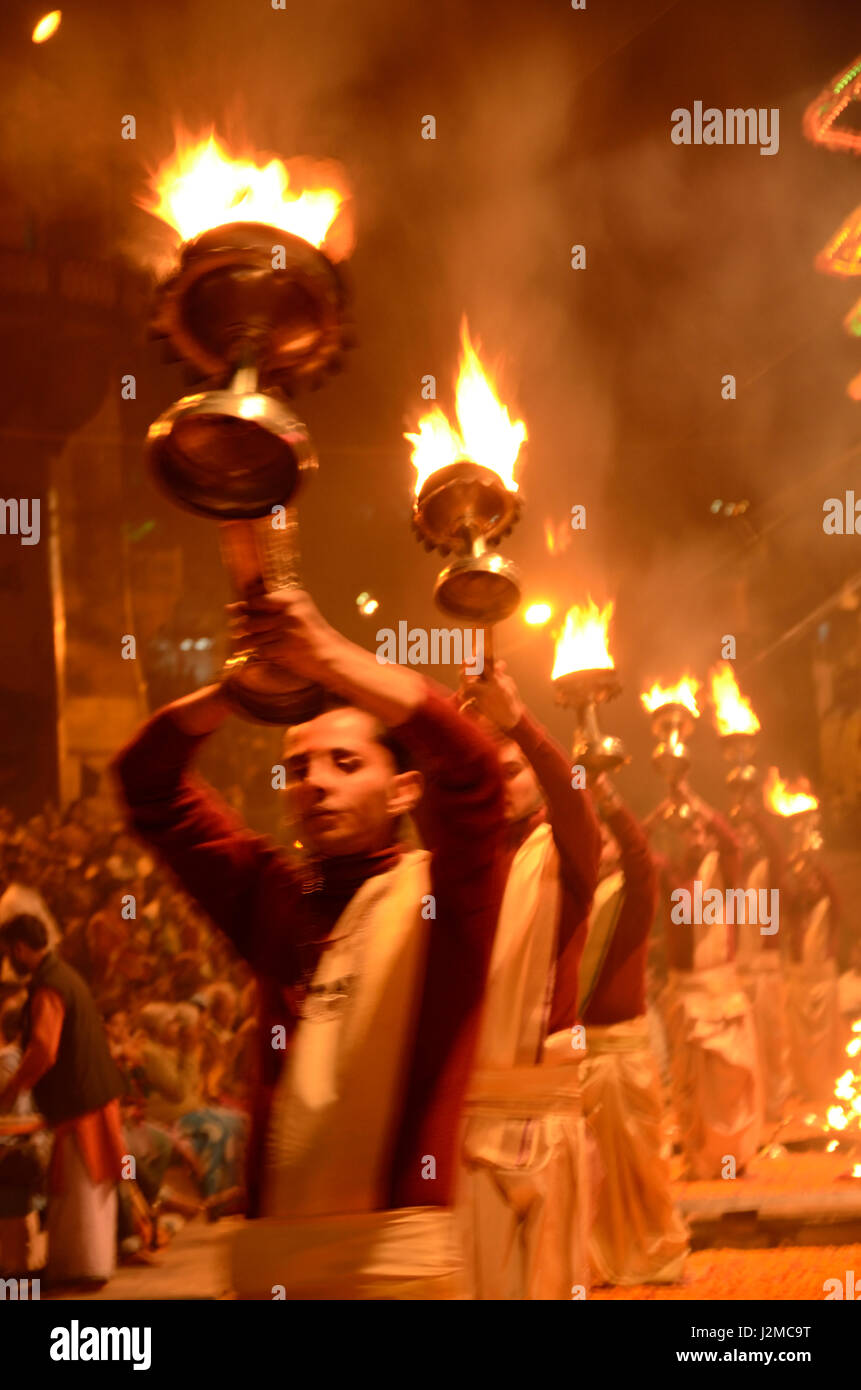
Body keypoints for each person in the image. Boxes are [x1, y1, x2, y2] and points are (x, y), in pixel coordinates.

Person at [114, 588, 506, 1299]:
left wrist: (325, 653)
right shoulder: (274, 895)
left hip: (396, 1261)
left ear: (404, 790)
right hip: (275, 1257)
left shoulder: (448, 896)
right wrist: (238, 690)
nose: (315, 784)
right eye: (298, 769)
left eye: (346, 764)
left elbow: (475, 777)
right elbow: (147, 786)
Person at [454, 662, 600, 1300]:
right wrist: (455, 734)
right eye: (490, 774)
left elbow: (574, 797)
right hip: (472, 1117)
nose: (500, 785)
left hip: (547, 1114)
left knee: (550, 1286)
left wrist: (517, 722)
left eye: (512, 771)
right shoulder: (459, 866)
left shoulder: (567, 854)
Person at [579, 772, 688, 1285]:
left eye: (604, 840)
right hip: (577, 1060)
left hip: (623, 1055)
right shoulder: (571, 897)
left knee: (641, 1169)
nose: (597, 848)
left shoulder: (634, 892)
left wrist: (609, 801)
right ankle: (595, 1260)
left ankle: (649, 1253)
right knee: (588, 1174)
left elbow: (643, 856)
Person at [0, 914, 125, 1285]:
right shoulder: (67, 975)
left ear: (21, 949)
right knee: (88, 1196)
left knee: (79, 1196)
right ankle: (88, 1267)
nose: (9, 959)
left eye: (9, 952)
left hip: (80, 1105)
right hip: (94, 1098)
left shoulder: (49, 986)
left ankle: (79, 1270)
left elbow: (43, 1051)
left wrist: (11, 1090)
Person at [646, 786, 763, 1180]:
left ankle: (733, 1159)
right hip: (686, 993)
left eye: (701, 832)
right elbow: (635, 849)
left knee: (730, 1082)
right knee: (690, 1083)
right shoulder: (669, 872)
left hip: (721, 992)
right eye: (688, 832)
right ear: (679, 837)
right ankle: (702, 1161)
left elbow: (731, 843)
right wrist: (660, 811)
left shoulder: (723, 871)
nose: (695, 838)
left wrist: (695, 801)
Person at [731, 805, 791, 1125]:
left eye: (750, 835)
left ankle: (775, 1106)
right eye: (741, 834)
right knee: (745, 1044)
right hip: (739, 972)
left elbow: (777, 850)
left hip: (766, 971)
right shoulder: (734, 876)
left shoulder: (769, 871)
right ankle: (752, 1105)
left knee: (771, 1040)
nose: (745, 839)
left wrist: (752, 813)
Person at [783, 850, 842, 1106]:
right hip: (799, 987)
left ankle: (826, 1093)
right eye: (806, 881)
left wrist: (810, 857)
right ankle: (806, 1092)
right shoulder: (795, 914)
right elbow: (783, 889)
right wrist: (793, 863)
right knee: (799, 1044)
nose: (810, 886)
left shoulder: (830, 908)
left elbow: (834, 892)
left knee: (824, 1043)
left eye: (814, 881)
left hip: (823, 986)